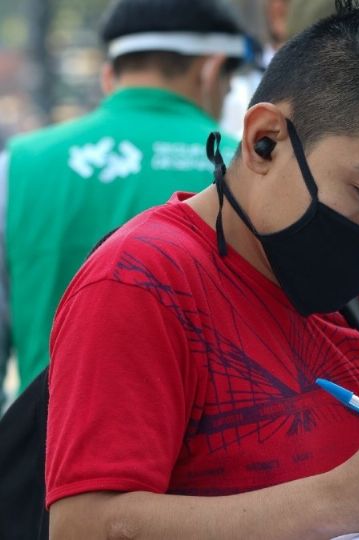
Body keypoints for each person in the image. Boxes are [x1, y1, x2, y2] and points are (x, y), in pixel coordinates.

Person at [45, 1, 359, 537]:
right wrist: (337, 499)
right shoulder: (141, 282)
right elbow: (84, 526)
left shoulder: (332, 290)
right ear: (263, 141)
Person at [0, 0, 248, 401]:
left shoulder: (18, 167)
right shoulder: (248, 167)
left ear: (109, 74)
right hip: (205, 457)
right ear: (211, 69)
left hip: (44, 452)